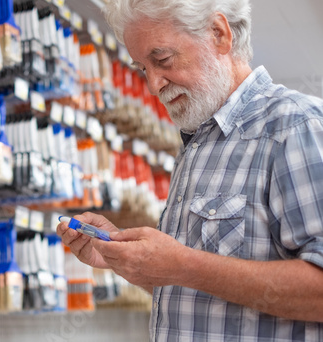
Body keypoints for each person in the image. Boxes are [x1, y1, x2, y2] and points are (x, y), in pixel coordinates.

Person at [56, 0, 323, 341]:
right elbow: (202, 296)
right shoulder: (197, 147)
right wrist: (124, 259)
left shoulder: (295, 127)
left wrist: (183, 265)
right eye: (142, 69)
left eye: (163, 60)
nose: (153, 86)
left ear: (219, 34)